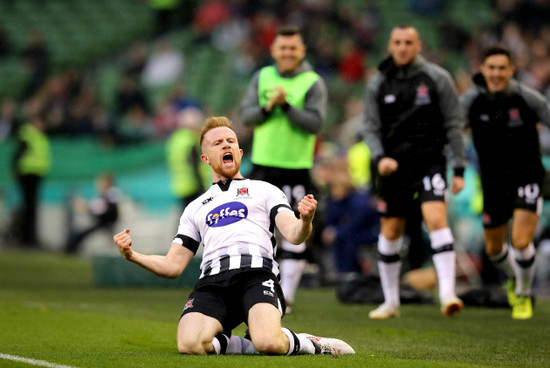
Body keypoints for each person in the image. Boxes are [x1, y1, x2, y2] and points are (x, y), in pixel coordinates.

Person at [113, 117, 354, 356]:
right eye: (217, 143)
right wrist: (132, 255)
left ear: (239, 153)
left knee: (269, 343)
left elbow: (293, 234)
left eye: (230, 141)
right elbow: (172, 266)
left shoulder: (265, 190)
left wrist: (306, 220)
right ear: (205, 158)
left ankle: (308, 343)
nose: (226, 145)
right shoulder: (195, 208)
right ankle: (246, 345)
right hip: (213, 283)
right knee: (190, 344)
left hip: (256, 276)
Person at [362, 25, 466, 319]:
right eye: (397, 42)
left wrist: (458, 168)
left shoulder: (437, 78)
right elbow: (370, 126)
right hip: (393, 166)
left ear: (419, 45)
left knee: (435, 217)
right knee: (391, 230)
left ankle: (447, 293)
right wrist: (380, 157)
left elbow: (454, 124)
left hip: (430, 162)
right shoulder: (379, 83)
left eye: (409, 42)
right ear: (390, 46)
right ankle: (391, 302)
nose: (403, 47)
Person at [239, 25, 328, 313]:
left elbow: (315, 123)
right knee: (258, 230)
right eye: (283, 47)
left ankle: (286, 296)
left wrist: (286, 105)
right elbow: (247, 116)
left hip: (296, 168)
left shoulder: (313, 82)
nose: (288, 53)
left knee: (296, 229)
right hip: (263, 168)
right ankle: (260, 289)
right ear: (274, 50)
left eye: (293, 48)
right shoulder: (262, 77)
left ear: (302, 51)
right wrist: (268, 106)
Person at [460, 45, 550, 319]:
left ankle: (523, 293)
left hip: (528, 176)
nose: (497, 73)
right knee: (494, 249)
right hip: (493, 182)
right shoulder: (472, 101)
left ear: (511, 70)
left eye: (502, 68)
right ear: (483, 70)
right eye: (492, 68)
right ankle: (514, 278)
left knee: (521, 241)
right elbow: (451, 131)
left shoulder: (528, 99)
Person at [12, 112, 51, 247]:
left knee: (31, 207)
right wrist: (17, 172)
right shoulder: (28, 135)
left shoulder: (38, 137)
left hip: (35, 175)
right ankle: (25, 238)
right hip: (27, 175)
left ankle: (28, 237)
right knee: (29, 208)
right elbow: (18, 155)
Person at [65, 174, 120, 254]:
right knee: (81, 233)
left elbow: (105, 208)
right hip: (102, 221)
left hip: (107, 222)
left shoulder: (111, 192)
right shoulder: (105, 194)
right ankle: (71, 250)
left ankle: (71, 251)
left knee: (82, 234)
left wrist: (88, 208)